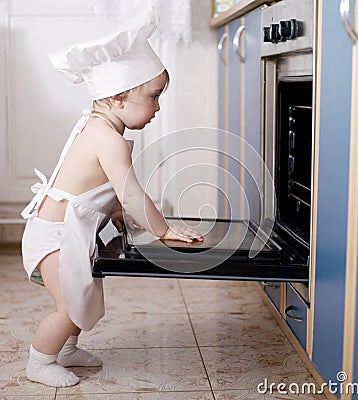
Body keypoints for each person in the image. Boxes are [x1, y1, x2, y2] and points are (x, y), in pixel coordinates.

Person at [20, 8, 203, 388]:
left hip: (64, 231)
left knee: (84, 294)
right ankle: (38, 363)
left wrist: (116, 211)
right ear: (119, 96)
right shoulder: (110, 139)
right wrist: (163, 228)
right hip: (54, 237)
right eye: (153, 97)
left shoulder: (97, 124)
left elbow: (94, 188)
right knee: (69, 305)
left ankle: (67, 350)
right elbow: (131, 191)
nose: (157, 107)